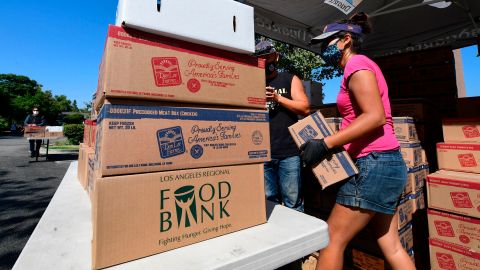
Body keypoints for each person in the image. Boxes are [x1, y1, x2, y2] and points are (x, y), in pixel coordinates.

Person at [303, 13, 416, 270]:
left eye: (327, 42)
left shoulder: (358, 65)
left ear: (345, 40)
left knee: (331, 241)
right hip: (386, 164)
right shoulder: (357, 68)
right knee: (391, 245)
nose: (323, 49)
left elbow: (375, 117)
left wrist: (325, 144)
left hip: (374, 164)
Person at [255, 40, 310, 212]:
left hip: (289, 153)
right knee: (268, 202)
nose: (267, 61)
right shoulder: (252, 82)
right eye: (262, 58)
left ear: (276, 57)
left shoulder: (289, 78)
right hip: (262, 153)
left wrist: (278, 99)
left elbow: (305, 108)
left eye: (269, 56)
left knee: (293, 202)